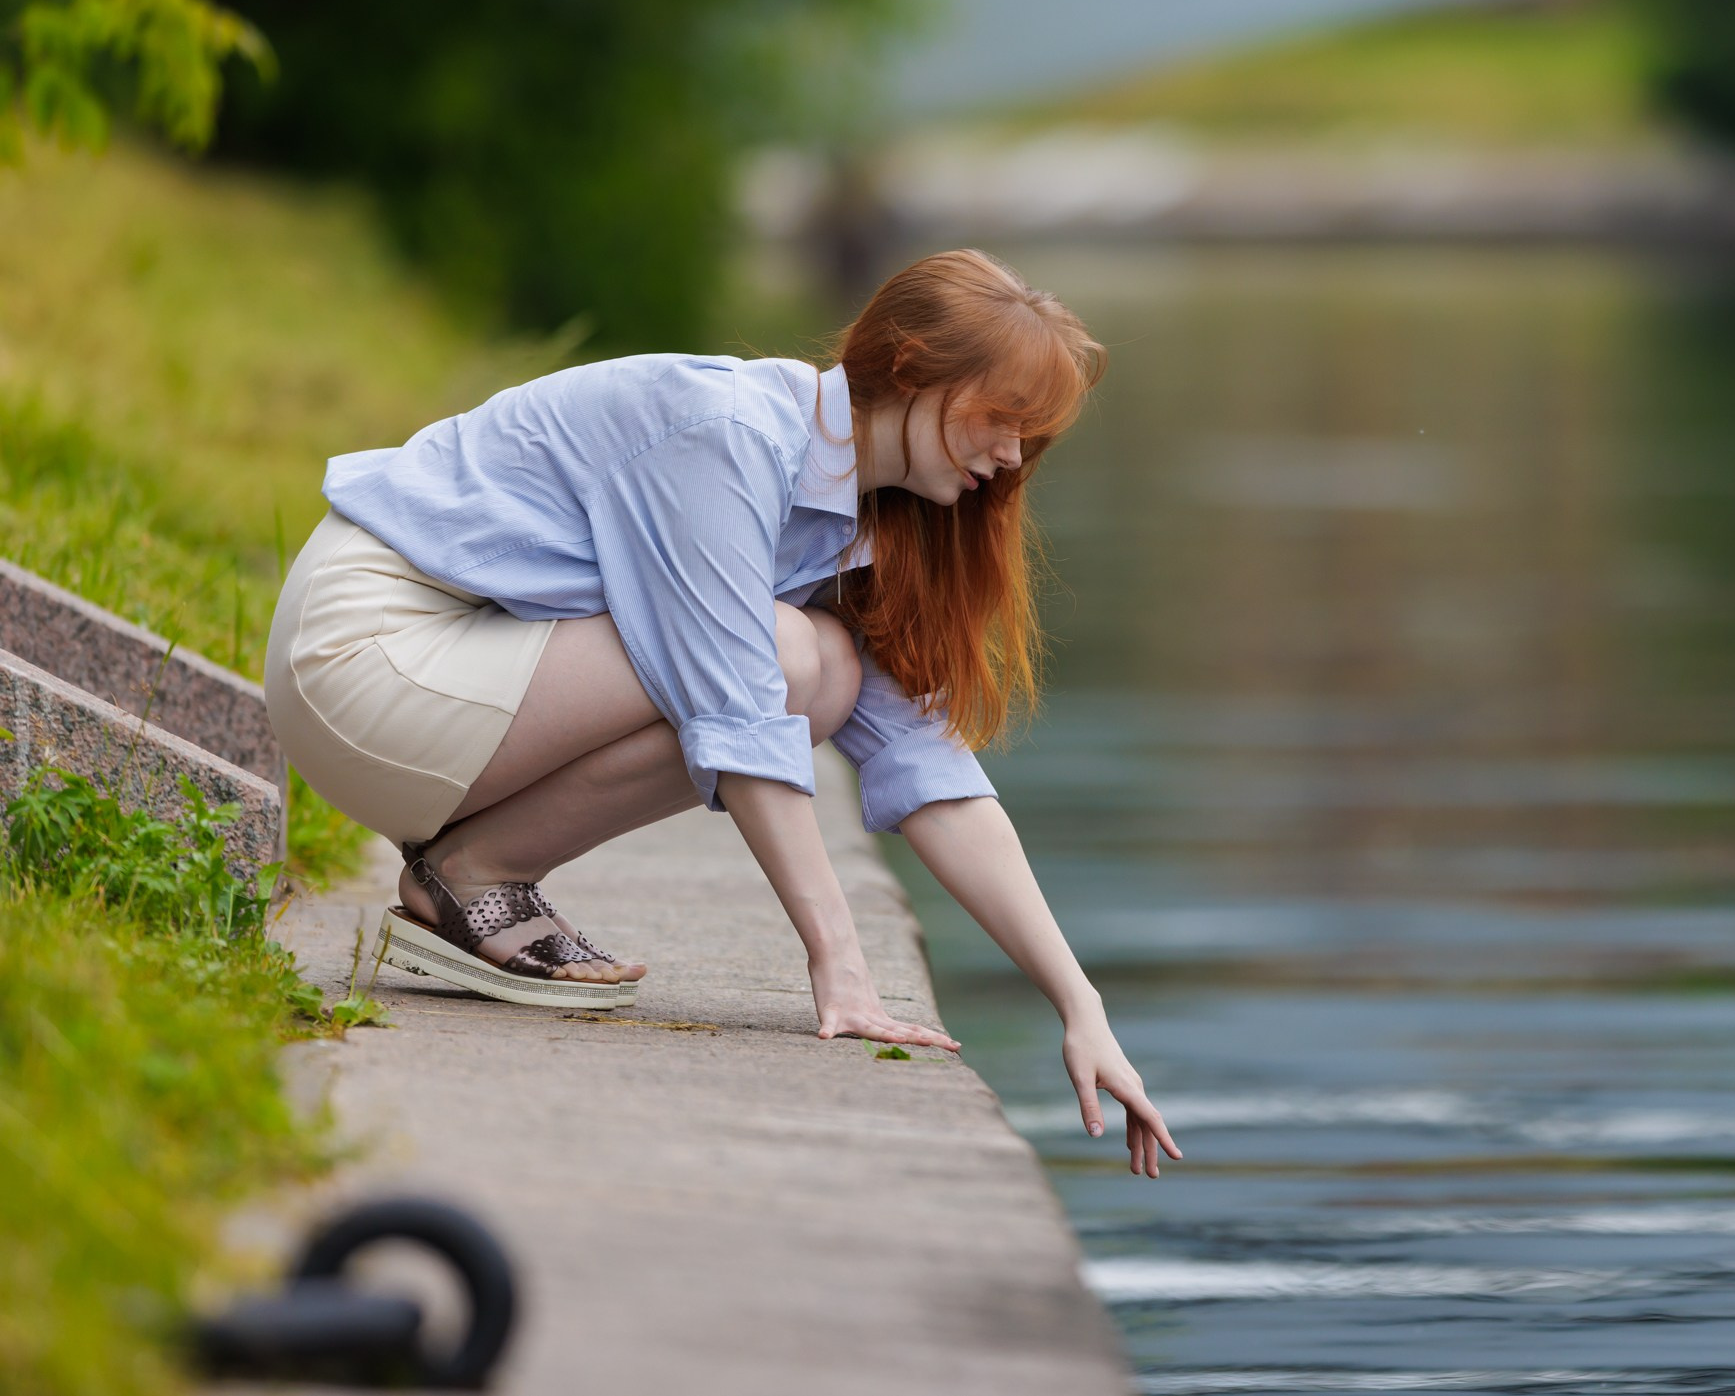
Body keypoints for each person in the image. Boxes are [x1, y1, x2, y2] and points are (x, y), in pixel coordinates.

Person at [263, 250, 1181, 1176]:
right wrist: (842, 964)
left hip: (449, 678)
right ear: (910, 371)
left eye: (1032, 434)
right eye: (1002, 418)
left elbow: (932, 772)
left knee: (821, 666)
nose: (1014, 456)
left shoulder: (864, 520)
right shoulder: (731, 434)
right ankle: (473, 873)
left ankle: (468, 871)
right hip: (363, 656)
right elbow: (738, 707)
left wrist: (1079, 1004)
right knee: (788, 659)